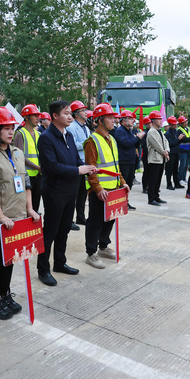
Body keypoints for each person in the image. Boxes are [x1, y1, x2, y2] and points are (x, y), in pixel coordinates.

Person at [0, 107, 39, 319]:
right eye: (6, 128)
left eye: (13, 128)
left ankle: (5, 293)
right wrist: (1, 216)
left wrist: (29, 209)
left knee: (10, 258)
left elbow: (26, 182)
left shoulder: (17, 152)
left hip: (17, 217)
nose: (11, 132)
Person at [36, 100, 96, 286]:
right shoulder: (46, 138)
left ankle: (60, 263)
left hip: (70, 189)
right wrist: (77, 170)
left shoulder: (68, 135)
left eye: (71, 113)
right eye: (66, 113)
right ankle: (43, 269)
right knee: (50, 231)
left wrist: (85, 167)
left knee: (64, 229)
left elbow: (75, 159)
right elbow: (51, 166)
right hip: (55, 191)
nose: (70, 117)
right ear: (55, 116)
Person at [82, 104, 128, 269]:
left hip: (113, 188)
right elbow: (90, 168)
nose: (114, 120)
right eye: (109, 118)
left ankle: (103, 246)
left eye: (113, 118)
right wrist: (98, 188)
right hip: (100, 190)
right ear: (100, 120)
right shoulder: (92, 141)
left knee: (110, 218)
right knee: (95, 221)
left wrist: (122, 182)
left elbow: (115, 165)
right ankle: (91, 253)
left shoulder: (112, 139)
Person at [13, 104, 43, 212]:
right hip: (26, 175)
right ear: (26, 117)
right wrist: (37, 167)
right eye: (35, 115)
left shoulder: (38, 134)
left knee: (35, 205)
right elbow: (19, 156)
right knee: (26, 207)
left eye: (38, 115)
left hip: (38, 175)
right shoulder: (20, 134)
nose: (38, 118)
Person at [66, 100, 90, 229]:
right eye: (83, 111)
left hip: (85, 164)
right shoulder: (71, 127)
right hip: (76, 164)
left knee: (82, 193)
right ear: (76, 113)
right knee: (73, 194)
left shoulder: (86, 128)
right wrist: (86, 143)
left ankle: (80, 216)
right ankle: (69, 220)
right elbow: (72, 145)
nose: (86, 113)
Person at [112, 110, 142, 210]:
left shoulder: (130, 130)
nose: (132, 121)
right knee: (123, 183)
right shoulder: (120, 131)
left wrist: (138, 139)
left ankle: (125, 201)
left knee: (129, 183)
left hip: (131, 160)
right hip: (124, 160)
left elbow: (134, 144)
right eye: (130, 119)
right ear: (124, 120)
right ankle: (120, 203)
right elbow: (126, 143)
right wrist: (137, 138)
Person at [145, 110, 170, 206]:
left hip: (161, 159)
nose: (160, 121)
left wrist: (167, 150)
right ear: (153, 120)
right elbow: (157, 145)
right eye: (158, 119)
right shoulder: (151, 132)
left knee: (158, 179)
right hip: (154, 159)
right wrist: (164, 153)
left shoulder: (160, 131)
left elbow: (166, 142)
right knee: (153, 180)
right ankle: (151, 199)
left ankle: (156, 196)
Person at [165, 116, 181, 190]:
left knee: (175, 169)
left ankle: (176, 183)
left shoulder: (176, 132)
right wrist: (178, 139)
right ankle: (169, 184)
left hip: (176, 153)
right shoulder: (167, 134)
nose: (175, 125)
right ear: (170, 125)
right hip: (171, 153)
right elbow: (170, 144)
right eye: (174, 124)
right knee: (169, 170)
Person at [176, 115, 190, 186]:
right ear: (181, 123)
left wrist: (188, 138)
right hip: (182, 150)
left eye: (186, 121)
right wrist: (189, 139)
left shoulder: (188, 129)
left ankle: (184, 178)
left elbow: (188, 137)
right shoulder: (179, 130)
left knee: (186, 165)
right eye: (184, 122)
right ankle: (180, 178)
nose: (186, 123)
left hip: (188, 150)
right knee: (182, 165)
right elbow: (183, 139)